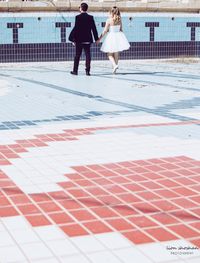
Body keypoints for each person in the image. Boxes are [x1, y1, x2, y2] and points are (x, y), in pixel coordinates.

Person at [97, 6, 130, 74]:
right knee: (116, 54)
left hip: (111, 36)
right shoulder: (119, 19)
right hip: (118, 36)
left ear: (111, 12)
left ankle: (114, 65)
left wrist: (99, 39)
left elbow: (105, 31)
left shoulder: (109, 20)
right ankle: (114, 70)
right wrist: (122, 39)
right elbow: (121, 29)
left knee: (109, 54)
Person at [69, 2, 99, 76]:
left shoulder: (77, 17)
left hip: (79, 39)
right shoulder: (90, 17)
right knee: (88, 55)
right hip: (87, 39)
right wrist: (96, 39)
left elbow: (76, 29)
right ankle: (87, 71)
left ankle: (75, 71)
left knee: (77, 56)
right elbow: (94, 28)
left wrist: (73, 39)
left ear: (81, 8)